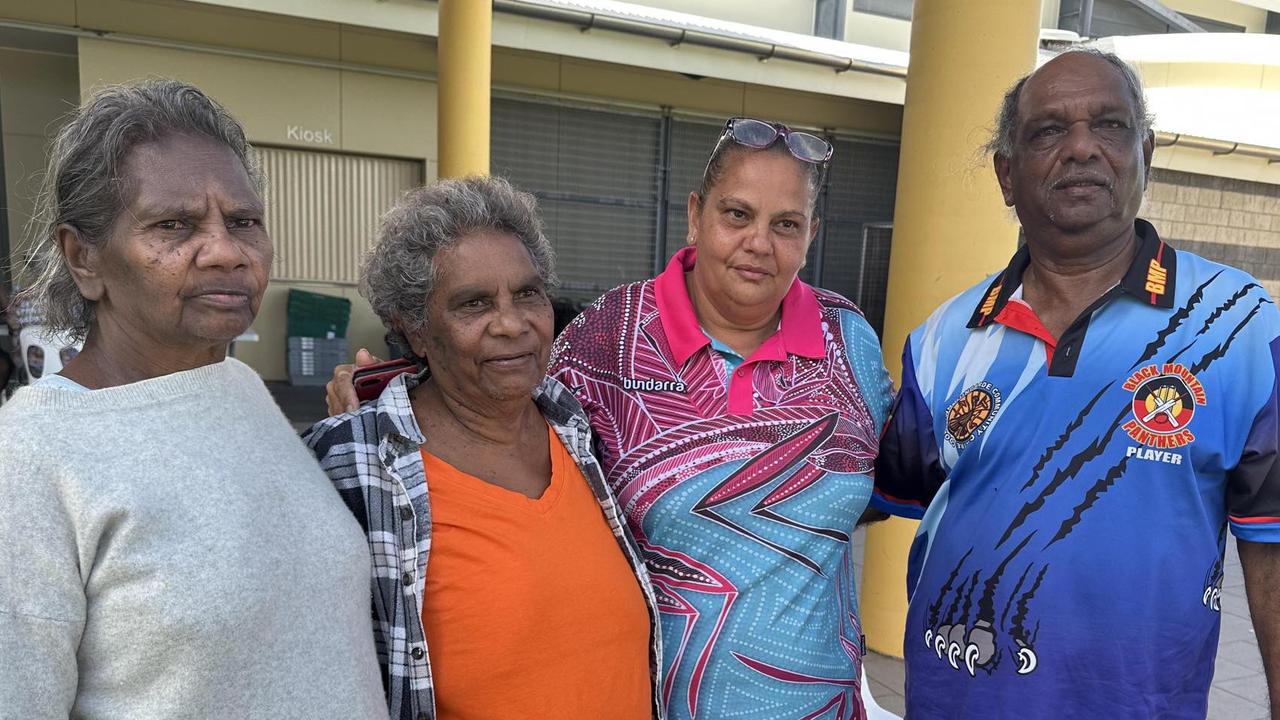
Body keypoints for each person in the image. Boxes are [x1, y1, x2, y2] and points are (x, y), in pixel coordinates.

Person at [332, 117, 894, 719]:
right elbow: (495, 387)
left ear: (812, 233)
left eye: (786, 224)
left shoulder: (848, 338)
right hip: (662, 703)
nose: (760, 242)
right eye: (737, 214)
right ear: (695, 214)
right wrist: (387, 394)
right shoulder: (606, 338)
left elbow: (878, 485)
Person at [872, 49, 1280, 718]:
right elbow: (860, 495)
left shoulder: (1237, 325)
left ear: (1145, 152)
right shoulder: (944, 340)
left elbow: (1273, 544)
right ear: (1008, 174)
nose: (1082, 147)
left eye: (1111, 125)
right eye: (1049, 130)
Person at [0, 80, 386, 719]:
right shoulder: (31, 458)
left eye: (244, 221)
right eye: (173, 225)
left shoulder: (238, 389)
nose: (227, 251)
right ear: (83, 257)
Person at [305, 175, 663, 720]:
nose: (512, 324)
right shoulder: (352, 467)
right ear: (415, 330)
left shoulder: (583, 425)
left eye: (528, 294)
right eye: (474, 304)